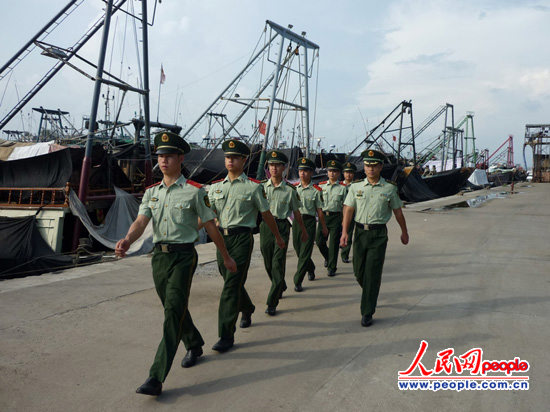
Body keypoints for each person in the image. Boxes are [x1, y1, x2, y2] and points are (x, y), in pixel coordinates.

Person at [115, 131, 237, 397]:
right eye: (160, 156)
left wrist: (225, 255)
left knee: (172, 311)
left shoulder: (195, 192)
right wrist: (127, 240)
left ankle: (156, 376)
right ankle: (193, 342)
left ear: (181, 158)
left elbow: (210, 226)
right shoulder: (151, 193)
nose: (164, 161)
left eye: (169, 156)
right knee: (174, 307)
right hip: (159, 258)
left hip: (183, 257)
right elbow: (141, 222)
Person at [208, 139, 285, 352]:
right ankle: (248, 307)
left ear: (243, 160)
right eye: (227, 157)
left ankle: (226, 335)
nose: (230, 160)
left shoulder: (253, 187)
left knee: (230, 287)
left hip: (242, 239)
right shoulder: (215, 188)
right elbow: (208, 216)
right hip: (222, 240)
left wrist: (277, 236)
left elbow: (266, 214)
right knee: (231, 281)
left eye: (234, 157)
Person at [340, 149, 409, 327]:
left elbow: (398, 212)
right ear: (363, 167)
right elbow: (348, 209)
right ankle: (371, 292)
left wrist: (404, 232)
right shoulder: (355, 187)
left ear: (380, 167)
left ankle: (367, 311)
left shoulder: (389, 188)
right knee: (358, 271)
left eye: (374, 166)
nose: (370, 169)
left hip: (378, 234)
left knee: (372, 272)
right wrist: (345, 232)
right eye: (367, 165)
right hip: (360, 232)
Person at [261, 150, 308, 315]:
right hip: (265, 227)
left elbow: (296, 212)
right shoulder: (261, 188)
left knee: (277, 263)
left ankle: (272, 302)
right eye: (271, 165)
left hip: (281, 227)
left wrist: (302, 230)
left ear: (284, 168)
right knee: (268, 262)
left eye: (277, 165)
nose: (274, 169)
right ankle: (280, 284)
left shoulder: (290, 190)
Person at [292, 157, 328, 291]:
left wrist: (323, 227)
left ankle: (298, 280)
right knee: (298, 249)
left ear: (312, 173)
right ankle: (311, 268)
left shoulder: (316, 190)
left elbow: (320, 212)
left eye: (306, 171)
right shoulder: (294, 189)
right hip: (297, 222)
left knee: (305, 251)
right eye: (301, 170)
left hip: (309, 222)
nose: (302, 173)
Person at [316, 159, 348, 277]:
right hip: (324, 216)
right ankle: (328, 258)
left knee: (334, 243)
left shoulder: (343, 188)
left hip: (336, 217)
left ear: (339, 173)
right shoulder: (321, 186)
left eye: (335, 171)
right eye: (330, 171)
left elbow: (345, 206)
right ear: (327, 172)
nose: (332, 173)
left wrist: (344, 222)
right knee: (319, 241)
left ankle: (332, 267)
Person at [340, 161, 357, 264]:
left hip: (351, 212)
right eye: (346, 172)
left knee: (348, 233)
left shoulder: (356, 186)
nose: (348, 174)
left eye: (350, 172)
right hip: (338, 212)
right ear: (343, 173)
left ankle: (345, 254)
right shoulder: (339, 185)